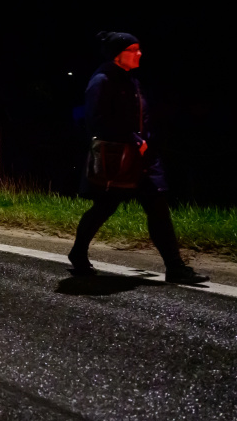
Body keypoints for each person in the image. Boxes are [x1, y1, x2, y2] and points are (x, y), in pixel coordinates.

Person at [67, 32, 209, 284]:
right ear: (118, 54)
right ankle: (78, 253)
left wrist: (148, 140)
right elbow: (96, 121)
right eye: (134, 49)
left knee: (157, 207)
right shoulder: (102, 80)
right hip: (119, 160)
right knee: (104, 206)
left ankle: (175, 267)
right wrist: (134, 140)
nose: (140, 53)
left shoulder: (130, 80)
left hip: (142, 159)